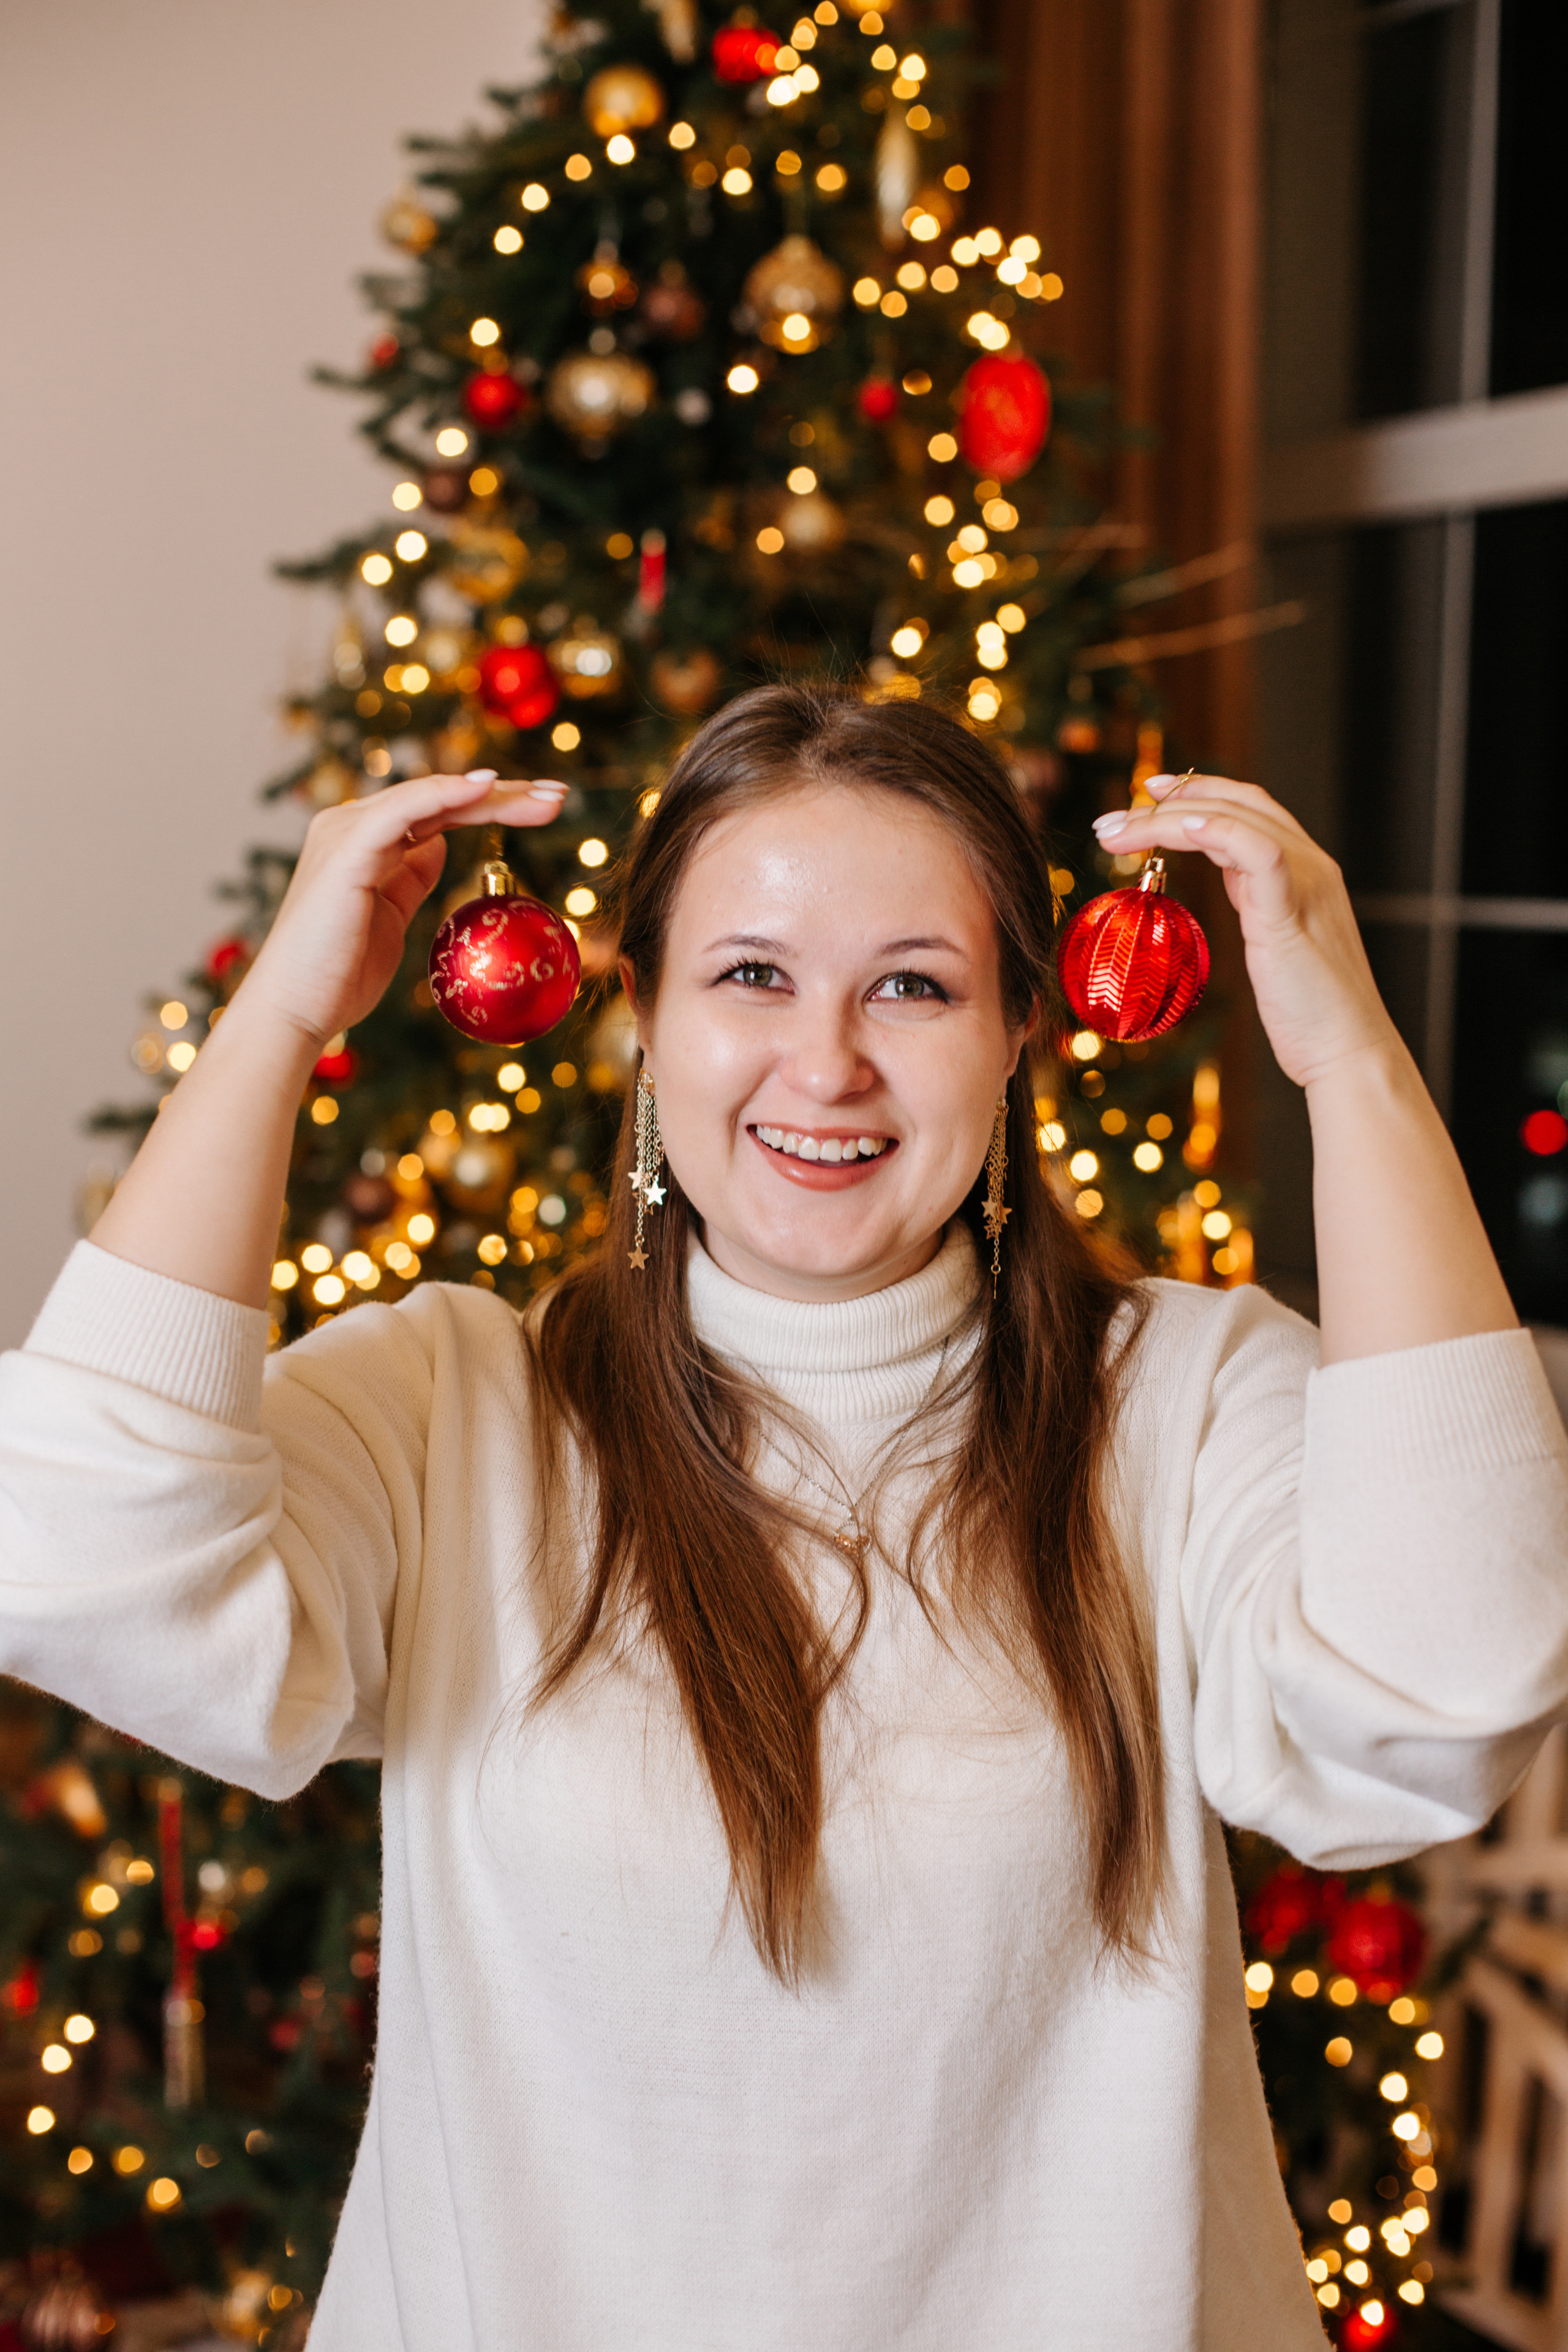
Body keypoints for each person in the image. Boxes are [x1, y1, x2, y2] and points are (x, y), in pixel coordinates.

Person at [2, 684, 1565, 2350]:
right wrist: (281, 1019)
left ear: (1022, 1032)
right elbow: (80, 1562)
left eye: (914, 985)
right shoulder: (454, 1407)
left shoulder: (1178, 1401)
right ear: (645, 1016)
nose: (826, 1063)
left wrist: (1354, 1062)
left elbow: (1448, 1693)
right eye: (752, 974)